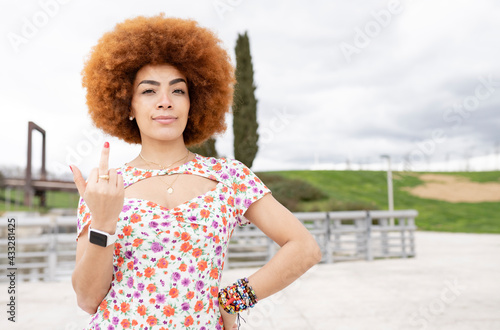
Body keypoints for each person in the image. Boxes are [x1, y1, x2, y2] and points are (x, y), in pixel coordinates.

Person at [70, 14, 321, 330]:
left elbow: (305, 248)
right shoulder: (103, 188)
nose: (165, 102)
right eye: (148, 91)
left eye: (178, 91)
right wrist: (104, 222)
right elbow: (88, 300)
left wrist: (233, 300)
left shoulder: (228, 176)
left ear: (194, 101)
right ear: (128, 105)